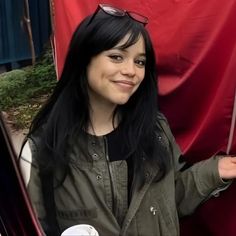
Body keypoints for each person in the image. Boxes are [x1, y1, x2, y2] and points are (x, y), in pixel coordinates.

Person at [19, 3, 236, 236]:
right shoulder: (41, 149)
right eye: (116, 56)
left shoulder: (155, 129)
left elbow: (170, 199)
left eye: (139, 61)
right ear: (84, 60)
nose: (131, 71)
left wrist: (215, 171)